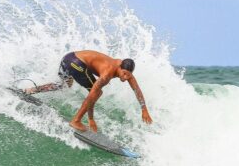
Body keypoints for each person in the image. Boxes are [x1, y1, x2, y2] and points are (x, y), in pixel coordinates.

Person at [25, 50, 153, 133]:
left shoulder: (124, 67)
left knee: (63, 85)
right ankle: (76, 121)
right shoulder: (107, 73)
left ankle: (30, 90)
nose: (125, 78)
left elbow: (137, 89)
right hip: (77, 63)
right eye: (124, 74)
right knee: (97, 92)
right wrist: (91, 118)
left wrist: (144, 109)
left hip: (68, 58)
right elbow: (91, 96)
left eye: (128, 76)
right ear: (120, 68)